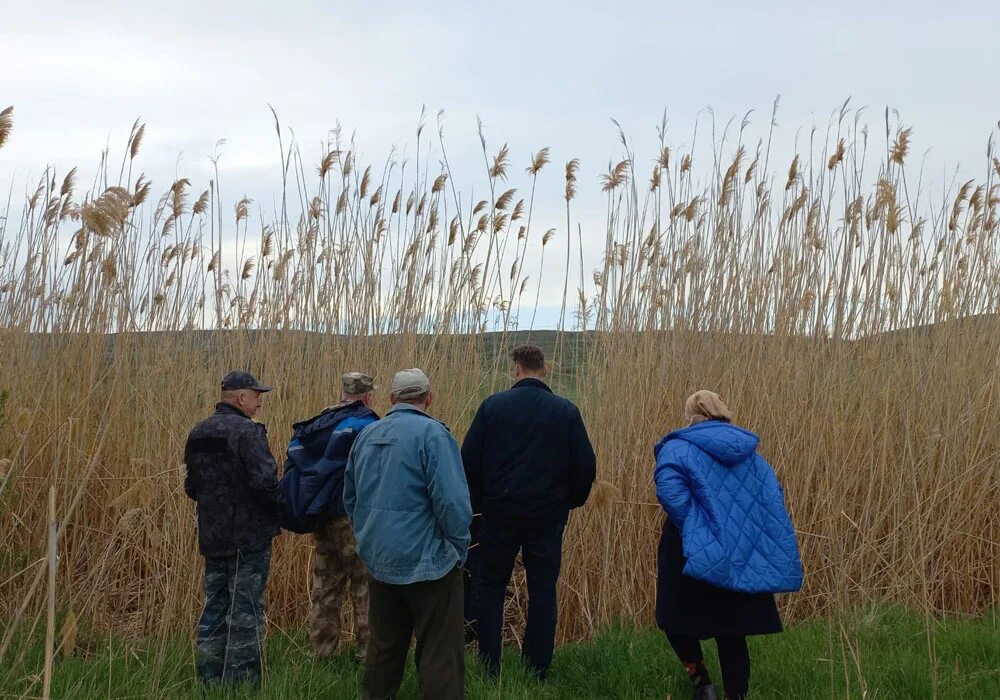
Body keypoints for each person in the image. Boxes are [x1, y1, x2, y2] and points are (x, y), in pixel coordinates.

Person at [653, 390, 803, 700]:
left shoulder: (677, 448)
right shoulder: (752, 454)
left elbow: (669, 492)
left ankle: (702, 685)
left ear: (692, 417)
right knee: (732, 627)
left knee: (674, 619)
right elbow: (774, 495)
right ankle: (737, 696)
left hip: (687, 549)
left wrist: (697, 528)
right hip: (740, 548)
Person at [462, 344, 596, 680]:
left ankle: (489, 666)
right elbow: (585, 466)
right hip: (546, 517)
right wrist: (570, 501)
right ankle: (537, 669)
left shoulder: (492, 407)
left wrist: (479, 508)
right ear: (544, 370)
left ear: (516, 369)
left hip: (498, 514)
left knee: (491, 586)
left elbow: (469, 464)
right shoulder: (565, 411)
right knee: (542, 591)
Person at [344, 368, 472, 700]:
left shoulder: (367, 436)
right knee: (439, 654)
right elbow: (453, 503)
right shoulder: (435, 436)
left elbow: (351, 498)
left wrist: (369, 540)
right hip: (430, 564)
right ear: (428, 398)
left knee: (383, 649)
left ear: (391, 399)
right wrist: (457, 547)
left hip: (380, 561)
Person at [183, 370, 285, 687]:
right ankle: (241, 684)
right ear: (241, 398)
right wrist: (281, 509)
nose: (259, 404)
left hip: (213, 537)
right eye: (257, 398)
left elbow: (191, 487)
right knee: (245, 609)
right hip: (248, 538)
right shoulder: (248, 433)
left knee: (214, 605)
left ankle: (209, 680)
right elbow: (266, 482)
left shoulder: (198, 433)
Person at [281, 372, 379, 661]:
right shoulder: (367, 423)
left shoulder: (318, 423)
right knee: (365, 583)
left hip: (320, 514)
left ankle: (322, 652)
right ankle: (368, 654)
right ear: (368, 395)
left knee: (326, 582)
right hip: (351, 516)